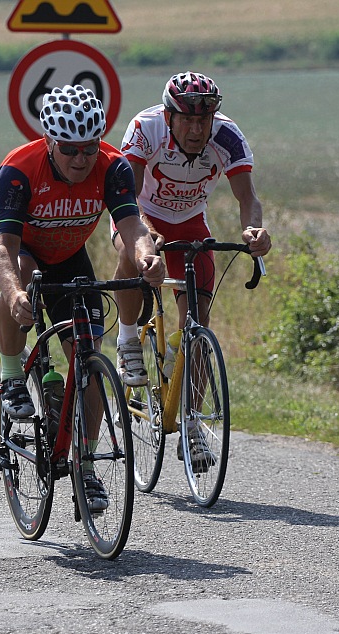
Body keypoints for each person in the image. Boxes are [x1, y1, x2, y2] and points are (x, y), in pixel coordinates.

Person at [0, 85, 164, 512]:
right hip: (18, 248)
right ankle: (12, 376)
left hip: (67, 255)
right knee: (21, 279)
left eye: (88, 148)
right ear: (49, 141)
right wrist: (15, 293)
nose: (81, 159)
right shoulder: (19, 169)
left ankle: (86, 464)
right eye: (69, 150)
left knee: (88, 360)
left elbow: (132, 227)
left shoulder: (112, 167)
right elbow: (4, 248)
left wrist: (146, 257)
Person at [111, 72, 271, 465]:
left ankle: (192, 421)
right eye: (187, 120)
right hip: (138, 215)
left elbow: (248, 198)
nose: (197, 130)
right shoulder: (146, 128)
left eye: (204, 120)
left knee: (198, 324)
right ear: (169, 117)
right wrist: (145, 234)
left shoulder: (227, 136)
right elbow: (126, 197)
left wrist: (253, 230)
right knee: (133, 252)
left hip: (190, 222)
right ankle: (128, 340)